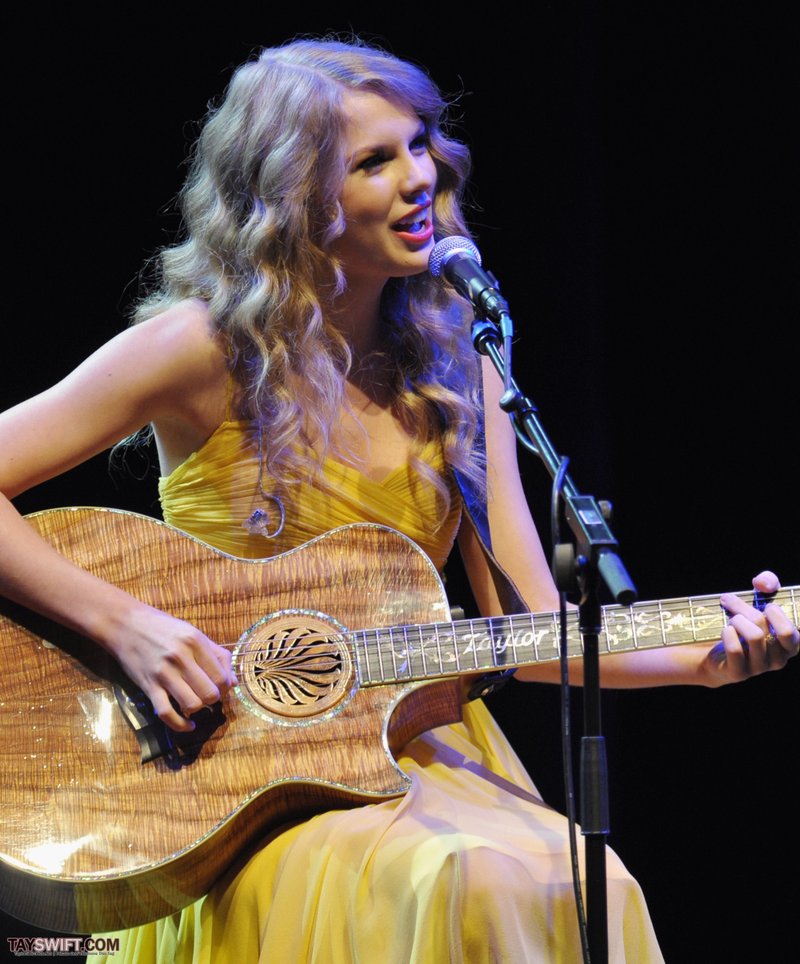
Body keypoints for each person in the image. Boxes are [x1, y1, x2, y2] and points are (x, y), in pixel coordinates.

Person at [0, 37, 797, 964]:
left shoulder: (459, 363)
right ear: (293, 196)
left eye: (420, 145)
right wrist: (127, 626)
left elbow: (533, 630)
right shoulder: (201, 349)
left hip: (413, 755)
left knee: (592, 883)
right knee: (457, 878)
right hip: (232, 776)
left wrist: (707, 662)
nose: (421, 177)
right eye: (375, 161)